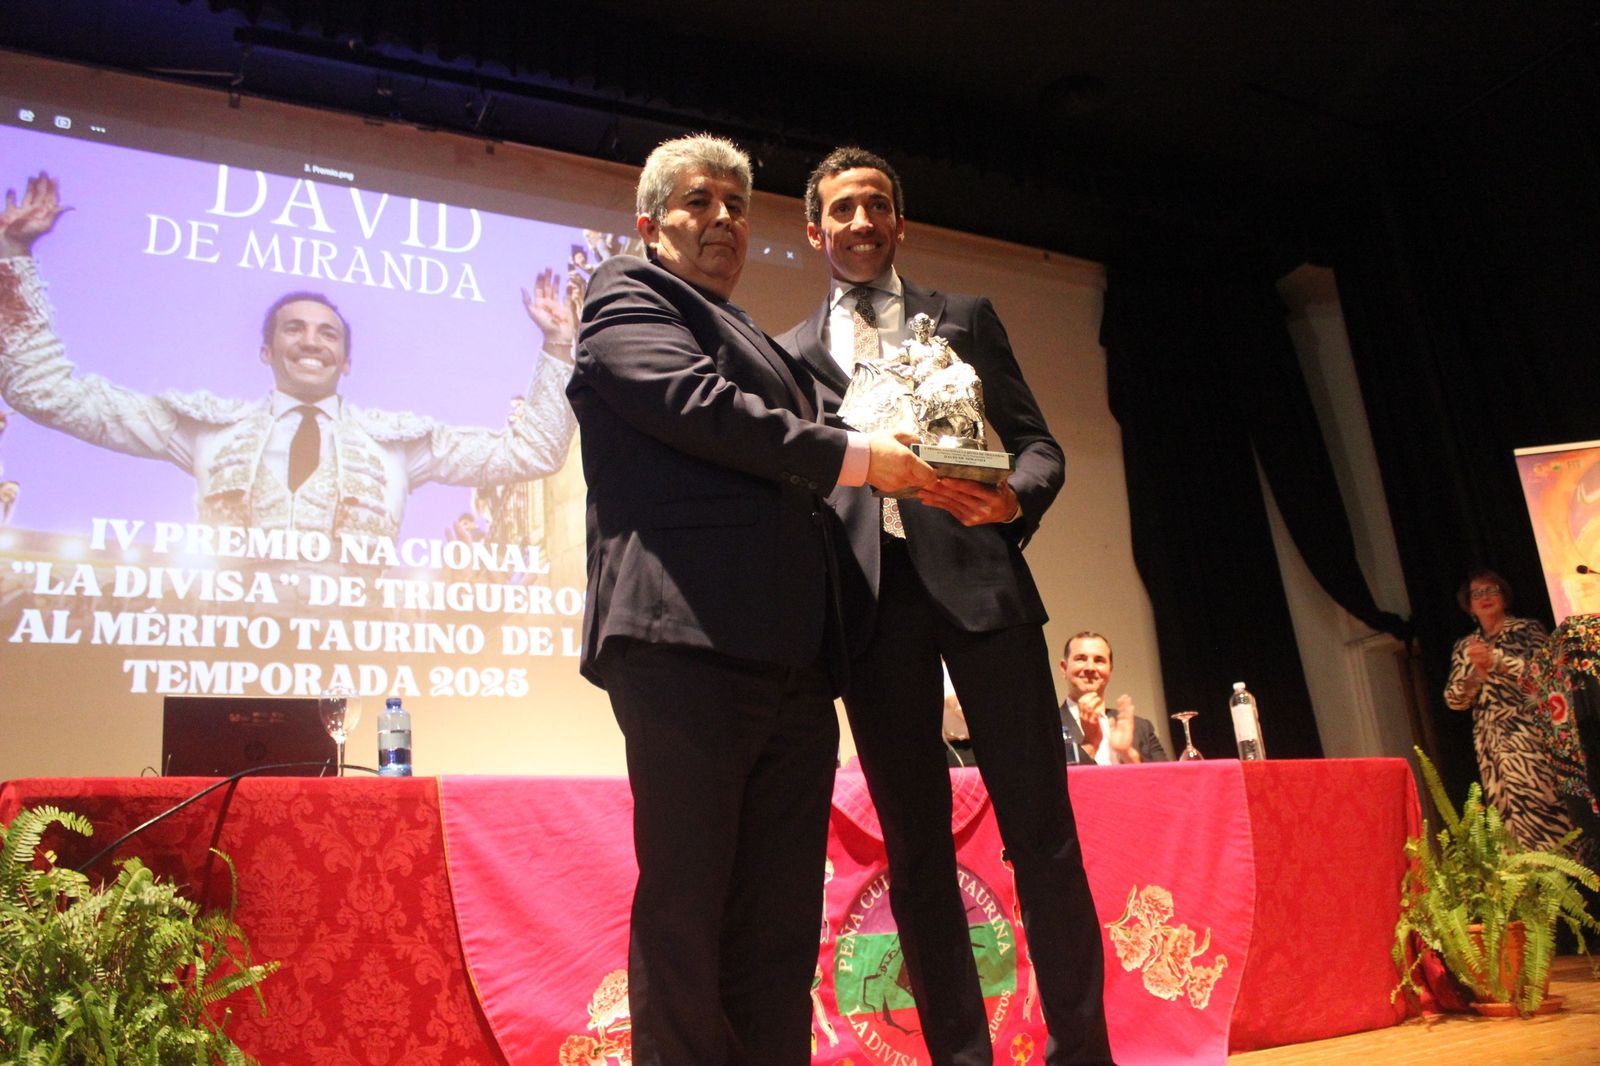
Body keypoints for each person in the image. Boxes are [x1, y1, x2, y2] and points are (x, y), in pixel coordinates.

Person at [566, 134, 932, 1066]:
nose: (724, 218)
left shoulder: (760, 341)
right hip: (684, 642)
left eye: (736, 203)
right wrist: (856, 456)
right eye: (698, 203)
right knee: (689, 912)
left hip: (793, 665)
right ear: (649, 225)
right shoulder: (626, 293)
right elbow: (696, 405)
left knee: (776, 924)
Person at [777, 146, 1112, 1066]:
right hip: (872, 615)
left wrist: (1014, 501)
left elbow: (1038, 446)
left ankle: (1084, 1052)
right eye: (840, 209)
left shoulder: (963, 317)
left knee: (1043, 835)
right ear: (815, 230)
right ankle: (962, 1057)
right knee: (915, 850)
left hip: (984, 593)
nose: (859, 222)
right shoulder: (791, 354)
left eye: (875, 205)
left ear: (897, 221)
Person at [0, 172, 577, 544]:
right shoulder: (207, 431)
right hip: (225, 658)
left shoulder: (396, 444)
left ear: (345, 361)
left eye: (328, 334)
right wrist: (12, 256)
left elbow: (534, 451)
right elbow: (43, 393)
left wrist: (556, 347)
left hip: (362, 656)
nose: (311, 341)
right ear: (265, 350)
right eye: (294, 329)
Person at [1444, 568, 1574, 851]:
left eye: (1492, 590)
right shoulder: (1465, 646)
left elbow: (1546, 676)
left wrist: (1498, 662)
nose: (1485, 597)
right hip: (1490, 745)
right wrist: (1476, 674)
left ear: (1504, 596)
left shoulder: (1527, 630)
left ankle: (1571, 885)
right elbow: (1454, 699)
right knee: (1508, 827)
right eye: (1477, 594)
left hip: (1528, 737)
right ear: (1469, 605)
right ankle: (1528, 888)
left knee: (1544, 817)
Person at [1059, 631, 1170, 764]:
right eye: (1081, 659)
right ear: (1064, 668)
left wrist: (1127, 754)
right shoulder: (1046, 726)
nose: (1090, 667)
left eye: (1099, 660)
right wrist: (1090, 743)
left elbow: (1165, 780)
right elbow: (1048, 780)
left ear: (1110, 670)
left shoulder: (1142, 727)